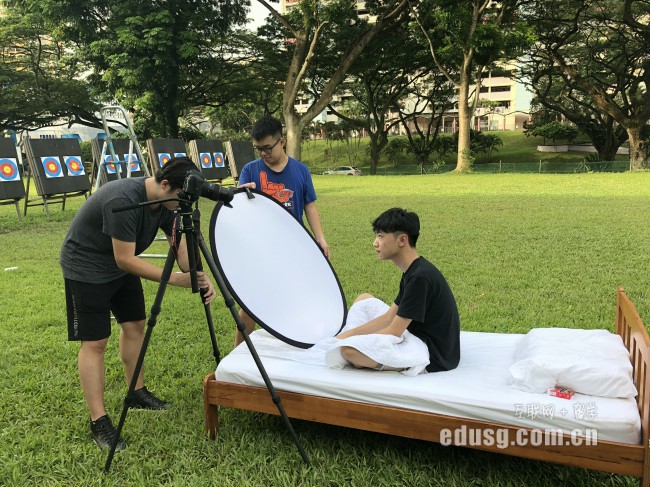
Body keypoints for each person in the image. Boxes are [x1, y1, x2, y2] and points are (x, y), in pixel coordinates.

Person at [60, 157, 216, 451]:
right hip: (86, 267)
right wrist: (174, 279)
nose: (182, 203)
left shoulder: (167, 203)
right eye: (181, 197)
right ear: (165, 184)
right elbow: (125, 259)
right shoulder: (123, 199)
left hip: (118, 268)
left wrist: (197, 267)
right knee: (95, 342)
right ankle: (98, 421)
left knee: (134, 325)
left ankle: (136, 392)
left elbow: (183, 258)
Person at [235, 116, 329, 346]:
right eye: (258, 149)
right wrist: (242, 195)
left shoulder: (301, 171)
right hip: (260, 248)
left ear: (282, 141)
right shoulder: (250, 170)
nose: (263, 153)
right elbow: (239, 208)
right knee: (250, 304)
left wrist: (320, 239)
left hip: (294, 246)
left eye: (267, 148)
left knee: (296, 299)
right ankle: (237, 352)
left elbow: (309, 205)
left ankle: (296, 345)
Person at [334, 208, 460, 373]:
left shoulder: (420, 277)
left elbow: (394, 331)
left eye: (380, 236)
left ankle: (398, 364)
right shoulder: (414, 270)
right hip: (412, 334)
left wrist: (353, 341)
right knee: (363, 298)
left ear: (402, 240)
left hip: (431, 354)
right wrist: (347, 335)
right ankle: (348, 341)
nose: (375, 243)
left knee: (349, 351)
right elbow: (389, 317)